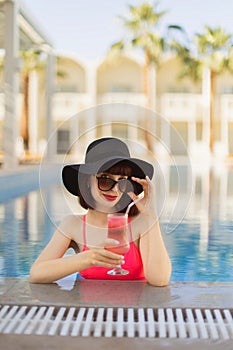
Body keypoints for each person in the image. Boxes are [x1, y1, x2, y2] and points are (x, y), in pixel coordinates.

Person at [30, 137, 172, 286]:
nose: (115, 190)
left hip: (131, 310)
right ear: (87, 181)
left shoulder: (141, 223)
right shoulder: (72, 225)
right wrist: (89, 258)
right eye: (105, 179)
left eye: (122, 181)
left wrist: (151, 216)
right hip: (90, 309)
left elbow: (159, 279)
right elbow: (37, 273)